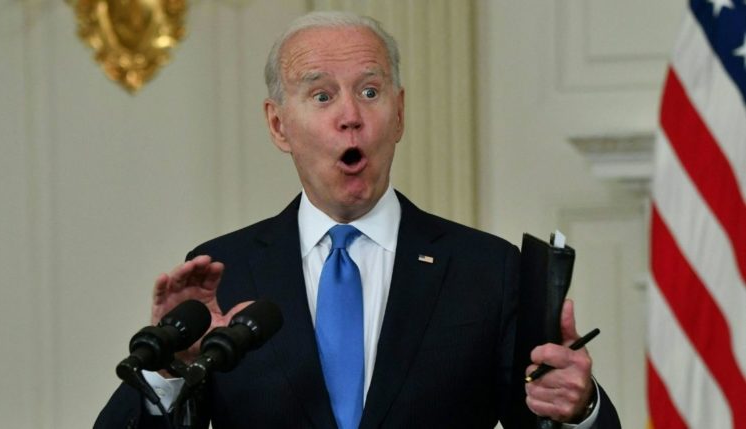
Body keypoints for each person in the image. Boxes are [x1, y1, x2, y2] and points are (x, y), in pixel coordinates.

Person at [96, 11, 621, 429]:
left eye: (369, 92)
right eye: (321, 95)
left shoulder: (488, 270)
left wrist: (579, 410)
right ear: (279, 125)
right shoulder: (224, 272)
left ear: (399, 114)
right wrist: (168, 367)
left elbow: (547, 416)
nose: (351, 114)